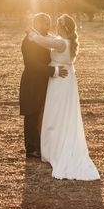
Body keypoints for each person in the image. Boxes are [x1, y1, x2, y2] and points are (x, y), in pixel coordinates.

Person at [27, 13, 100, 181]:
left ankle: (55, 149)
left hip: (59, 81)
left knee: (56, 115)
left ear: (62, 28)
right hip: (65, 81)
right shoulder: (66, 41)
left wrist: (32, 33)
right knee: (62, 115)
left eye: (58, 25)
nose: (55, 27)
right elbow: (51, 39)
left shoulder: (60, 43)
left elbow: (44, 41)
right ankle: (55, 147)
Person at [19, 13, 67, 158]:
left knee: (44, 115)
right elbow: (32, 64)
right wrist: (54, 70)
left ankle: (43, 146)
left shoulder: (46, 38)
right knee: (32, 115)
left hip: (47, 82)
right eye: (43, 22)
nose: (47, 24)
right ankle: (31, 149)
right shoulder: (29, 41)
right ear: (36, 23)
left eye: (48, 22)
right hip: (33, 82)